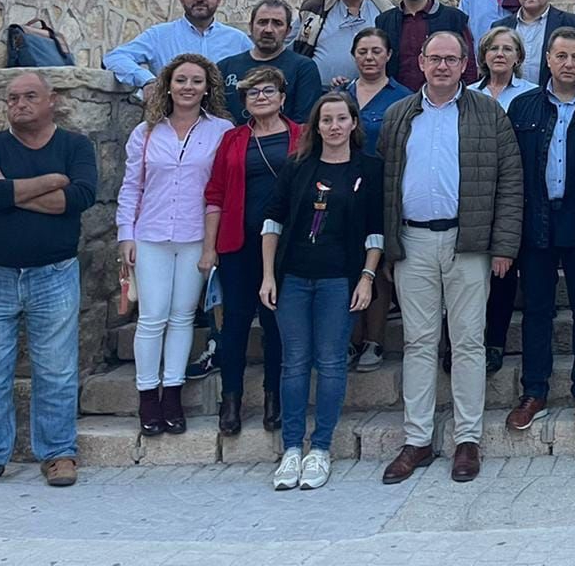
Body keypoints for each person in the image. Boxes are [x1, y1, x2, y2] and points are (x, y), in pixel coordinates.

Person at [377, 31, 522, 486]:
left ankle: (467, 439)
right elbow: (386, 182)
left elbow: (510, 181)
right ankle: (417, 439)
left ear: (465, 65)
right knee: (419, 343)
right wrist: (388, 246)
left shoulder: (488, 112)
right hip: (413, 242)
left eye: (451, 59)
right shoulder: (400, 114)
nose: (442, 66)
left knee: (468, 343)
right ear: (421, 62)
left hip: (469, 242)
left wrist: (503, 246)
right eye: (435, 58)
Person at [0, 71, 97, 495]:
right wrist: (51, 181)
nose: (19, 104)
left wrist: (11, 191)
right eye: (12, 98)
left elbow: (81, 197)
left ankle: (58, 453)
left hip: (53, 274)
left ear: (52, 100)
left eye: (29, 96)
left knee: (57, 369)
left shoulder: (75, 146)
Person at [259, 92, 383, 491]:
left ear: (353, 123)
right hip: (294, 278)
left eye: (341, 118)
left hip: (339, 281)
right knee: (294, 362)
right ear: (316, 126)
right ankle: (292, 448)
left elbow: (375, 230)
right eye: (326, 119)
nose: (334, 126)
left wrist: (367, 277)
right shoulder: (296, 166)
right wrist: (268, 276)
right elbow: (272, 221)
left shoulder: (369, 169)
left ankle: (321, 448)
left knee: (330, 362)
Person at [504, 29, 575, 432]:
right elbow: (511, 169)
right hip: (536, 218)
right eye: (561, 56)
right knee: (537, 308)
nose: (568, 63)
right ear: (548, 59)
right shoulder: (523, 106)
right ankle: (534, 390)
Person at [115, 53, 234, 437]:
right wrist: (125, 234)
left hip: (196, 235)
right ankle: (147, 397)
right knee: (152, 317)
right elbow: (131, 186)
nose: (188, 87)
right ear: (168, 85)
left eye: (196, 81)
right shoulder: (146, 132)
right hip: (150, 235)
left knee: (182, 317)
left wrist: (214, 244)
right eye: (181, 80)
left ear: (207, 88)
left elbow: (222, 186)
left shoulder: (221, 131)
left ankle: (172, 394)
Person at [200, 67, 300, 437]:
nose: (261, 97)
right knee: (236, 324)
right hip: (238, 244)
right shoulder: (232, 139)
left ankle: (274, 398)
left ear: (282, 97)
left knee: (276, 325)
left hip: (287, 246)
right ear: (243, 101)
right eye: (253, 92)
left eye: (268, 90)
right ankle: (231, 400)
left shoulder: (302, 136)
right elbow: (215, 193)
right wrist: (209, 248)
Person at [469, 27, 537, 376]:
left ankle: (495, 340)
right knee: (470, 273)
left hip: (514, 191)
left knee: (503, 270)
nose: (499, 54)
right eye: (493, 48)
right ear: (483, 55)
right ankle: (464, 342)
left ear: (518, 57)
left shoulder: (532, 95)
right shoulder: (467, 94)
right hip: (474, 194)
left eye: (507, 49)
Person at [345, 28, 412, 372]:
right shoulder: (341, 95)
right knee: (348, 265)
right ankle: (351, 340)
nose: (369, 57)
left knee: (380, 267)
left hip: (384, 191)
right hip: (344, 193)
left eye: (376, 51)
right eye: (363, 51)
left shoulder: (403, 98)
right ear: (354, 56)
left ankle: (375, 340)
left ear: (388, 55)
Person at [104, 0, 251, 97]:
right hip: (172, 116)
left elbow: (258, 72)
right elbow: (115, 57)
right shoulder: (159, 35)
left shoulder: (238, 40)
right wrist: (147, 80)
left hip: (225, 117)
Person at [375, 0, 475, 91]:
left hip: (444, 98)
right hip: (396, 100)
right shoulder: (384, 21)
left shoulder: (454, 18)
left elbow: (468, 65)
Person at [217, 0, 323, 124]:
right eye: (262, 22)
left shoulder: (303, 69)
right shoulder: (225, 67)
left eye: (277, 23)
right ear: (250, 26)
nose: (268, 29)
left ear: (288, 31)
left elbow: (304, 121)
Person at [295, 0, 392, 87]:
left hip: (373, 92)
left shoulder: (385, 13)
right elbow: (289, 48)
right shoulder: (313, 12)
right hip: (319, 92)